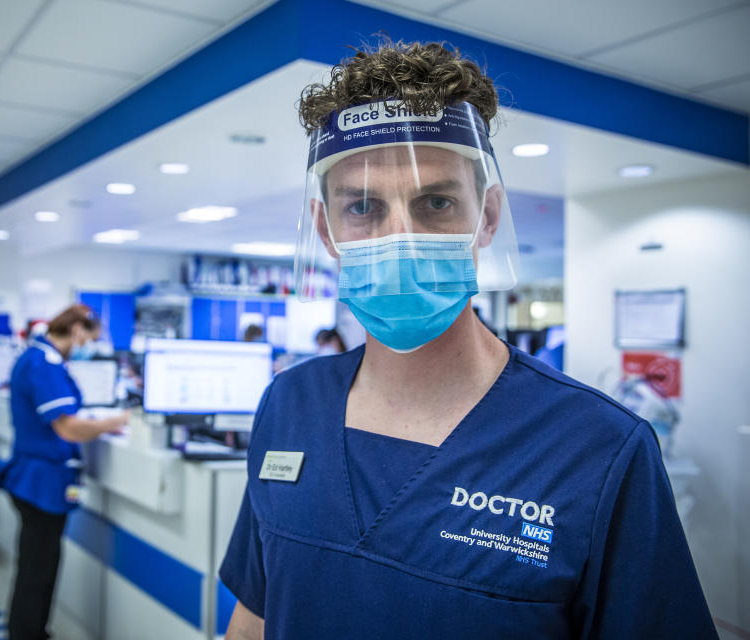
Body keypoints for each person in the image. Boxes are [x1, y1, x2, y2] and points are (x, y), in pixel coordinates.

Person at [219, 41, 715, 639]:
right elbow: (253, 619)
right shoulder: (289, 404)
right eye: (364, 206)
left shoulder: (599, 449)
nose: (400, 238)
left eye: (435, 202)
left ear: (487, 215)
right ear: (326, 229)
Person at [1, 304, 129, 640]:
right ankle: (27, 633)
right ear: (75, 330)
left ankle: (30, 630)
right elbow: (68, 428)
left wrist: (97, 425)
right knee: (37, 569)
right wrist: (114, 422)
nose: (88, 347)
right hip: (39, 482)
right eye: (88, 338)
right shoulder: (44, 364)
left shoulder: (37, 358)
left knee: (39, 565)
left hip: (37, 477)